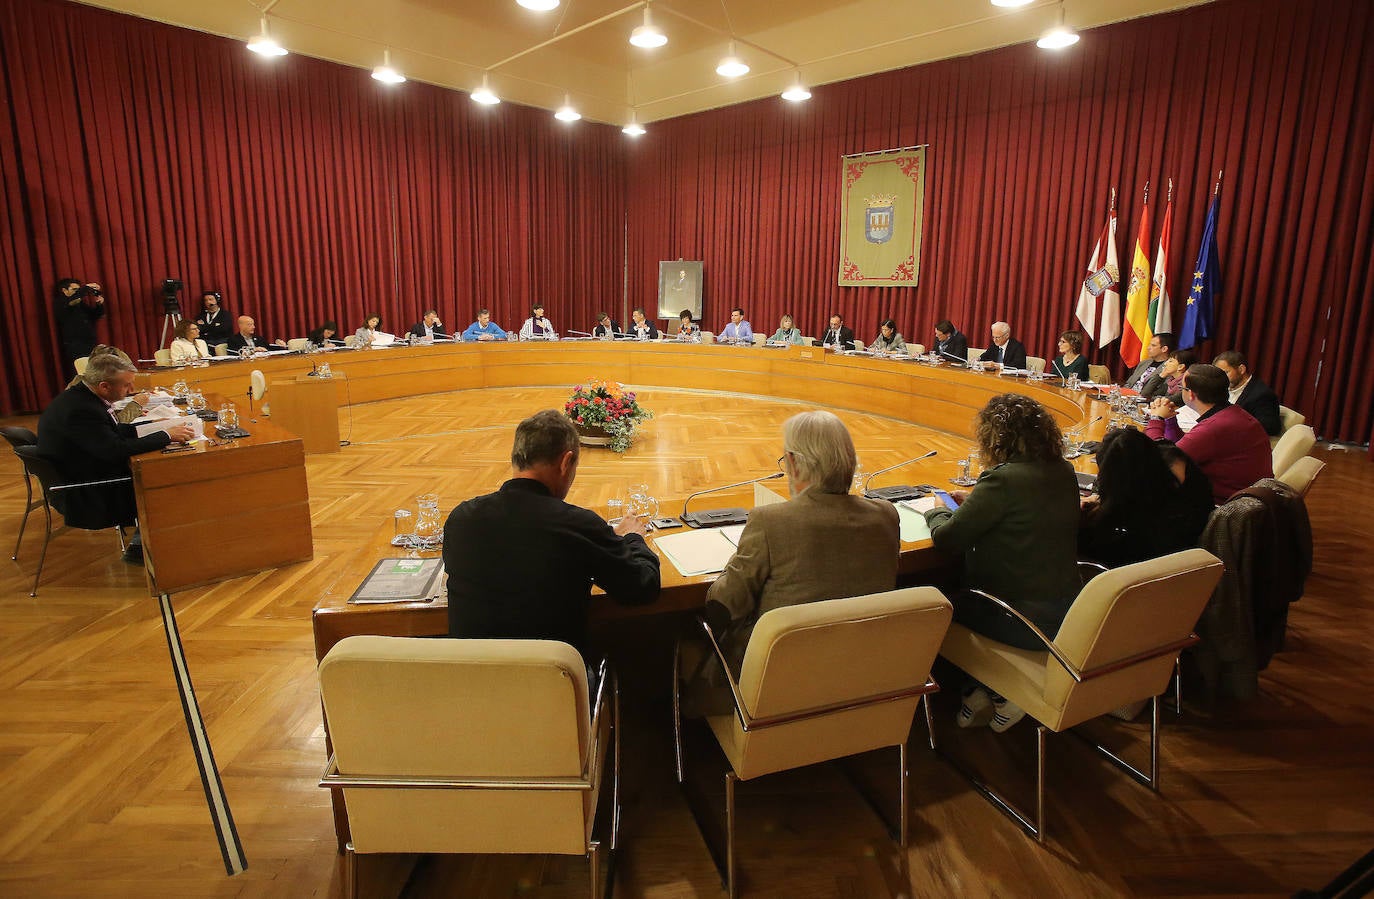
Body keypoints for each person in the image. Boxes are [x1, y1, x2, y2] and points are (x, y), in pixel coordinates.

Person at [680, 410, 900, 714]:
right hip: (859, 681)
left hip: (772, 692)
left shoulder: (770, 521)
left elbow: (723, 606)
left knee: (684, 644)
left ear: (795, 463)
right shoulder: (886, 515)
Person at [918, 393, 1081, 731]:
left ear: (996, 437)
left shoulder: (1003, 480)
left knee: (933, 603)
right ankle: (981, 691)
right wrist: (978, 501)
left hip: (1019, 617)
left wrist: (935, 508)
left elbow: (947, 539)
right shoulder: (1063, 470)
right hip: (1067, 613)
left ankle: (989, 692)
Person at [442, 410, 660, 662]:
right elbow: (642, 588)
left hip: (473, 690)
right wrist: (632, 538)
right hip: (556, 692)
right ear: (566, 462)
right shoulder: (579, 525)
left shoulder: (461, 519)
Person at [36, 353, 195, 563]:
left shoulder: (81, 396)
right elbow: (114, 450)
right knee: (164, 478)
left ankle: (147, 540)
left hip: (84, 471)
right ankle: (144, 547)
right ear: (104, 386)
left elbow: (110, 432)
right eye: (127, 385)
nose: (131, 391)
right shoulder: (82, 410)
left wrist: (156, 429)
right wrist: (166, 436)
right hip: (87, 489)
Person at [1078, 427, 1214, 568]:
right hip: (1190, 547)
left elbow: (1124, 516)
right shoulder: (1163, 458)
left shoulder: (1149, 493)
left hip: (1162, 558)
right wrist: (1097, 498)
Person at [1145, 363, 1274, 504]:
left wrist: (1156, 419)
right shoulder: (1232, 414)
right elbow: (1180, 450)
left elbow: (1160, 460)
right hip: (1245, 500)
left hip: (1222, 508)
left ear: (1191, 394)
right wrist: (1170, 420)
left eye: (1181, 388)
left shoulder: (1215, 427)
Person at [67, 345, 152, 424]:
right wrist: (135, 405)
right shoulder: (84, 398)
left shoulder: (87, 385)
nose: (131, 390)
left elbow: (107, 414)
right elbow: (114, 424)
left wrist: (133, 411)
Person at [1214, 350, 1282, 436]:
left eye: (1226, 373)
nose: (1221, 378)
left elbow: (1271, 427)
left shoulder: (1262, 395)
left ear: (1241, 369)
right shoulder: (1225, 386)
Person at [52, 278, 106, 370]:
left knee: (94, 370)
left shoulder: (80, 304)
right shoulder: (60, 302)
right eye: (74, 290)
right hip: (75, 344)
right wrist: (86, 288)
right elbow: (72, 300)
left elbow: (95, 316)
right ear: (64, 290)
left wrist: (99, 305)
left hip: (89, 342)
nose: (78, 292)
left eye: (78, 290)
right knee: (81, 370)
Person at [1124, 333, 1174, 397]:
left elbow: (1159, 392)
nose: (1148, 348)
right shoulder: (1144, 363)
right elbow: (1129, 383)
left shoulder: (1170, 367)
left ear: (1164, 349)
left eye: (1153, 345)